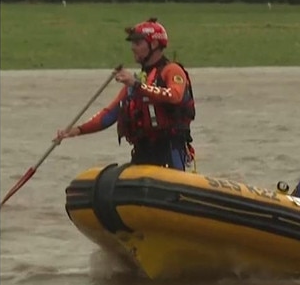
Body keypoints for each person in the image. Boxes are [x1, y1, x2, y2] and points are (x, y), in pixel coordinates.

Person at [54, 17, 196, 171]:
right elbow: (109, 115)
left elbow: (174, 96)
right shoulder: (138, 80)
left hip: (169, 149)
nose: (133, 48)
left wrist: (136, 84)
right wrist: (77, 130)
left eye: (137, 43)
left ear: (154, 44)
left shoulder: (172, 70)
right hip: (143, 151)